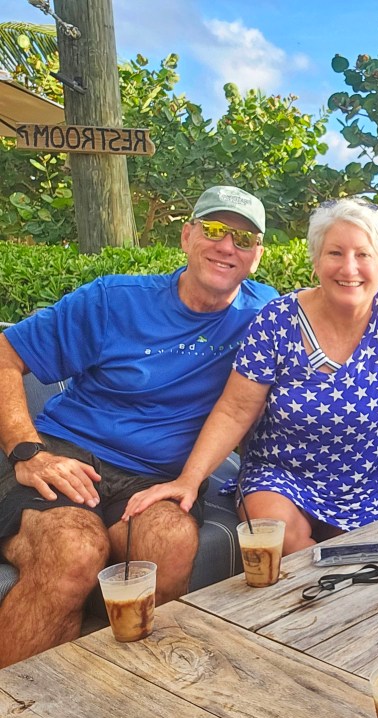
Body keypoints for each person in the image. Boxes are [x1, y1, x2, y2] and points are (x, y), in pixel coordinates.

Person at [127, 197, 378, 555]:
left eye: (363, 255)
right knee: (284, 539)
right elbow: (234, 410)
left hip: (363, 484)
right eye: (335, 253)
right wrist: (187, 482)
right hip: (278, 476)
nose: (349, 268)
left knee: (355, 558)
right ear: (316, 261)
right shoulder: (277, 319)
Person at [0, 185, 278, 668]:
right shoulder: (113, 300)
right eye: (214, 230)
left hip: (154, 476)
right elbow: (6, 354)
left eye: (244, 239)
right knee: (74, 550)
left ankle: (131, 691)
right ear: (187, 236)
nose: (227, 246)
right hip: (67, 453)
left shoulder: (264, 316)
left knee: (170, 543)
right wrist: (28, 450)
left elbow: (338, 312)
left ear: (256, 257)